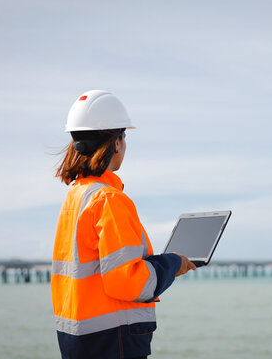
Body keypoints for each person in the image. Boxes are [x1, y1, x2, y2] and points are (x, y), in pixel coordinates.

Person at [51, 90, 196, 359]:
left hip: (77, 340)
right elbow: (128, 283)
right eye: (124, 137)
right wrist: (173, 263)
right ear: (116, 143)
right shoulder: (108, 199)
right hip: (111, 343)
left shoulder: (76, 196)